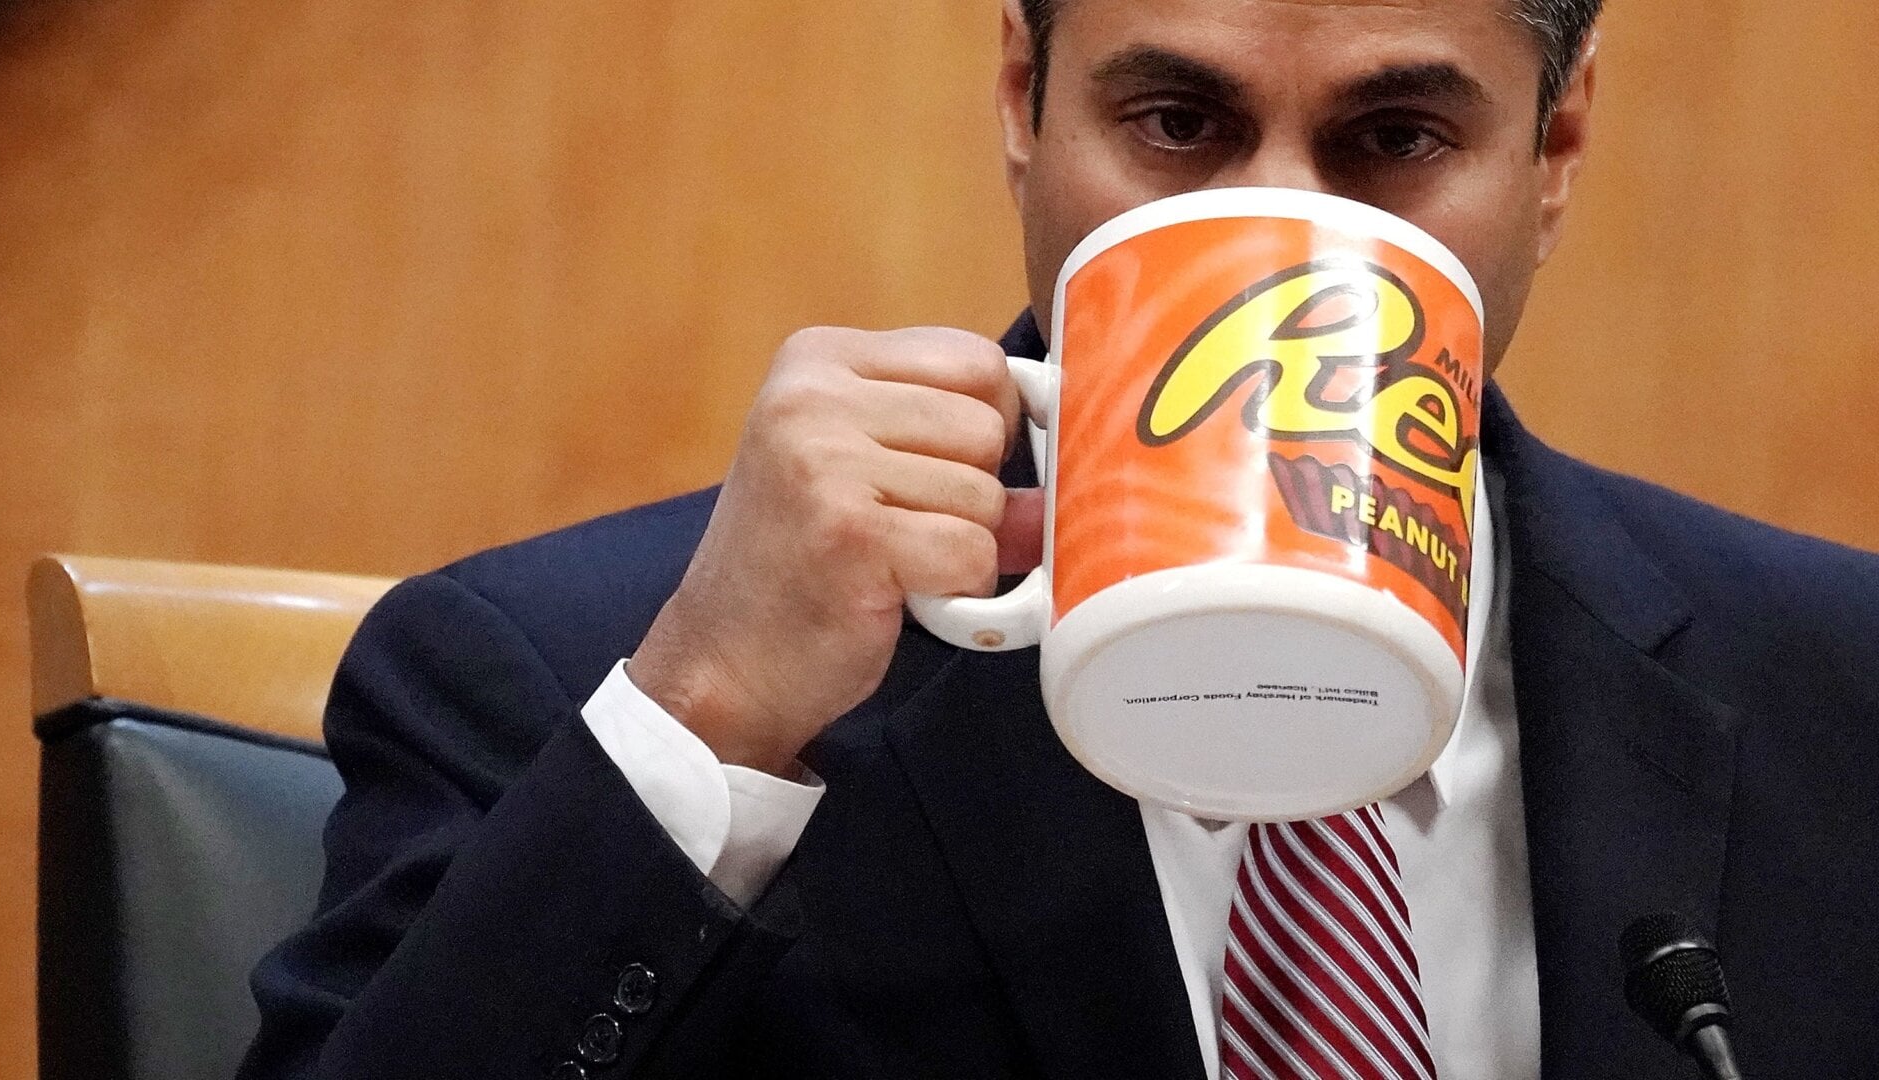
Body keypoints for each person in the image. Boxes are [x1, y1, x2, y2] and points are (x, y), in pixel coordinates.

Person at [240, 1, 1879, 1077]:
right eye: (1176, 120)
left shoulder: (1840, 692)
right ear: (1024, 100)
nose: (1279, 234)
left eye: (1397, 141)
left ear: (1556, 148)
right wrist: (714, 711)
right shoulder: (556, 672)